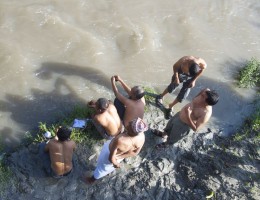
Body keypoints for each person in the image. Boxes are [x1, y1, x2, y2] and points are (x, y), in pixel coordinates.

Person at [85, 117, 148, 184]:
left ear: (132, 131)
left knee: (101, 169)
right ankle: (100, 172)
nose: (129, 122)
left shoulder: (120, 140)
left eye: (130, 124)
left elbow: (110, 158)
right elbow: (135, 153)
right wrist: (120, 157)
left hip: (108, 154)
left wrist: (116, 164)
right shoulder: (142, 137)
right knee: (105, 168)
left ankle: (92, 179)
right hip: (119, 156)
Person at [153, 88, 219, 149]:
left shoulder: (205, 114)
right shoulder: (205, 92)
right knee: (168, 127)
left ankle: (166, 144)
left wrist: (188, 115)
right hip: (178, 115)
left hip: (183, 126)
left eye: (203, 97)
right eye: (203, 93)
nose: (202, 94)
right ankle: (163, 134)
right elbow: (203, 92)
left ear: (206, 103)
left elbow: (196, 129)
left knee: (173, 137)